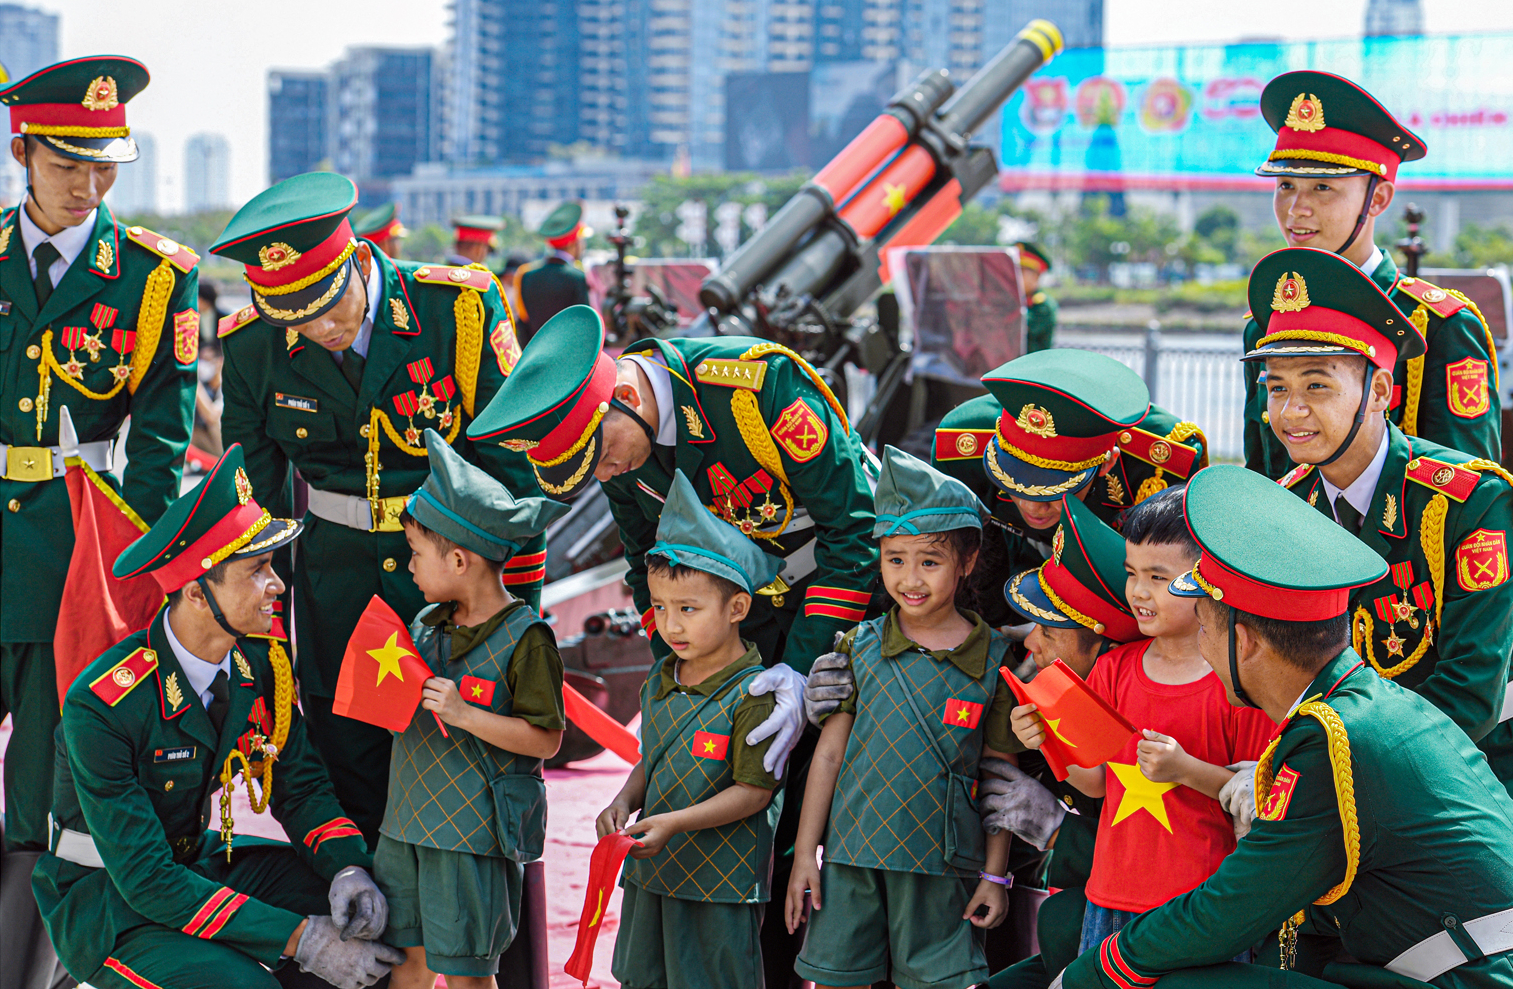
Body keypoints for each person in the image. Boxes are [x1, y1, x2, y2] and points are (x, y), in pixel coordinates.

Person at [468, 304, 835, 986]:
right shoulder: (616, 457)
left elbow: (854, 527)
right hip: (710, 632)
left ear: (628, 399)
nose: (604, 472)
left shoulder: (756, 389)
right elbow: (643, 558)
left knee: (799, 840)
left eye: (603, 454)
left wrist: (799, 664)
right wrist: (676, 646)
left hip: (815, 615)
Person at [1056, 464, 1513, 988]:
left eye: (1205, 628)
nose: (1203, 648)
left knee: (1173, 981)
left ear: (1244, 641)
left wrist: (1092, 973)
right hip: (1449, 961)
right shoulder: (1363, 705)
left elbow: (1230, 911)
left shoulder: (1329, 739)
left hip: (1464, 977)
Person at [210, 172, 541, 843]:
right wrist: (258, 630)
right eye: (297, 320)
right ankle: (368, 926)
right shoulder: (252, 344)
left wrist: (515, 610)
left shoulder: (458, 309)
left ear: (360, 260)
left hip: (455, 574)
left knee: (470, 758)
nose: (320, 330)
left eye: (332, 309)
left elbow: (512, 472)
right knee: (350, 755)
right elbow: (253, 503)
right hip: (338, 583)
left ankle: (467, 946)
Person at [32, 445, 405, 989]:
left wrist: (347, 867)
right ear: (197, 594)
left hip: (196, 864)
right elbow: (147, 879)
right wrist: (302, 940)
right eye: (257, 570)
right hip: (108, 898)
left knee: (373, 919)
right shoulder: (103, 704)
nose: (277, 585)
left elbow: (300, 789)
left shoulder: (260, 663)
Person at [0, 56, 197, 862]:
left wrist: (129, 562)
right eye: (66, 165)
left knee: (47, 769)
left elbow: (160, 439)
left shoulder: (154, 278)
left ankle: (29, 956)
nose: (87, 187)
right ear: (22, 155)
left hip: (73, 556)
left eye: (103, 167)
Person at [1246, 246, 1513, 792]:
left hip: (1468, 779)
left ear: (1380, 392)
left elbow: (1471, 690)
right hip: (1332, 770)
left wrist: (1333, 774)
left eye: (1317, 385)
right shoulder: (1287, 505)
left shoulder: (1468, 502)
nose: (1291, 410)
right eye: (1277, 387)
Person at [786, 446, 1016, 989]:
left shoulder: (996, 662)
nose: (910, 578)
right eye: (895, 559)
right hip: (849, 862)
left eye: (929, 561)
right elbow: (829, 755)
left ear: (967, 560)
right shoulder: (855, 647)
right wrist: (804, 857)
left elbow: (1002, 781)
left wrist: (994, 875)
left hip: (944, 872)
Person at [1012, 487, 1273, 961]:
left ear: (1206, 580)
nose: (1139, 592)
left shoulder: (1237, 682)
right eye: (1133, 574)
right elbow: (1095, 784)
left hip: (1201, 906)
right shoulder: (1114, 670)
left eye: (1159, 577)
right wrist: (1047, 741)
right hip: (1110, 896)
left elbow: (1257, 802)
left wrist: (1185, 770)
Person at [379, 431, 569, 988]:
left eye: (416, 554)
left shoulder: (526, 638)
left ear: (459, 559)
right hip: (405, 826)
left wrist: (467, 715)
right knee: (404, 961)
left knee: (466, 974)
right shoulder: (424, 624)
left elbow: (545, 740)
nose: (407, 566)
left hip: (469, 834)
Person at [1242, 71, 1500, 480]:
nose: (1295, 210)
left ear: (1377, 198)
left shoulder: (1438, 325)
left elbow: (1468, 490)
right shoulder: (1267, 322)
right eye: (1286, 185)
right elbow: (1265, 470)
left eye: (1322, 188)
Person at [596, 470, 784, 989]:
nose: (671, 625)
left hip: (719, 887)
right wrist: (623, 799)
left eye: (688, 609)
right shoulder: (660, 678)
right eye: (659, 608)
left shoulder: (757, 694)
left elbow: (754, 793)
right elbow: (650, 760)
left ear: (738, 609)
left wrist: (674, 823)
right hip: (652, 877)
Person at [980, 493, 1148, 989]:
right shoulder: (1066, 700)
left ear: (1101, 646)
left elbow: (1163, 857)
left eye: (1049, 631)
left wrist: (1058, 832)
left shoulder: (1147, 716)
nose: (1030, 642)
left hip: (1118, 955)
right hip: (1068, 944)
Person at [930, 350, 1206, 626]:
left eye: (1053, 490)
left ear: (1107, 464)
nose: (1031, 505)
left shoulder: (1157, 467)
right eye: (1013, 483)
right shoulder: (960, 451)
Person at [514, 201, 591, 346]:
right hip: (567, 357)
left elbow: (523, 325)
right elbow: (584, 326)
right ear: (574, 242)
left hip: (535, 356)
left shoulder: (526, 276)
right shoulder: (577, 277)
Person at [1017, 242, 1057, 354]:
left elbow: (1017, 329)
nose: (1015, 276)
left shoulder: (1043, 306)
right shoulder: (1012, 301)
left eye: (1021, 272)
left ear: (1036, 275)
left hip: (1033, 368)